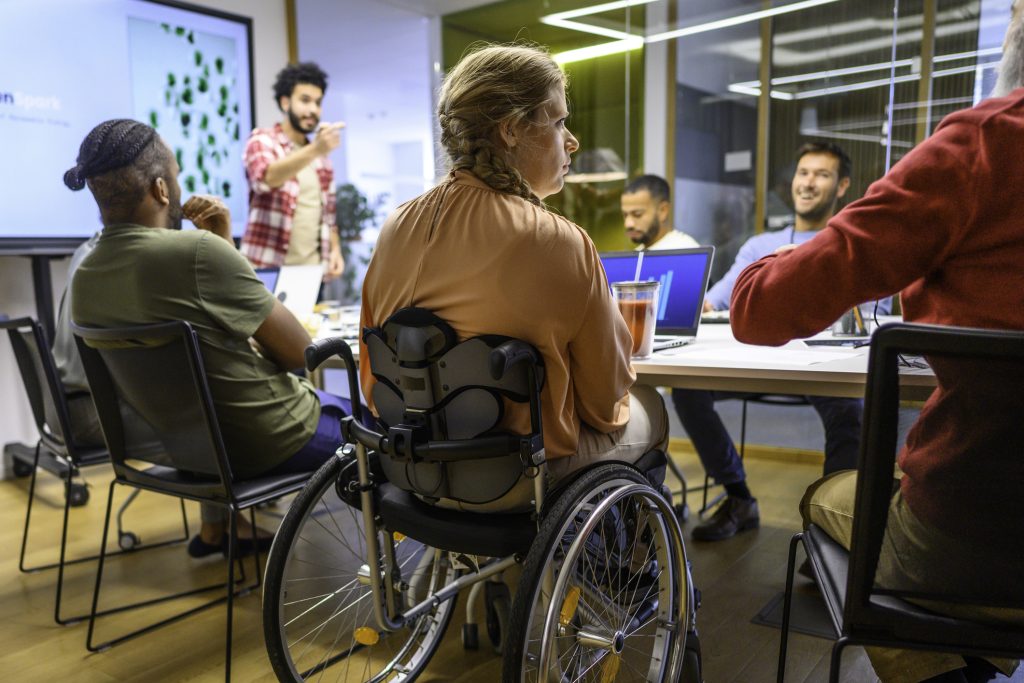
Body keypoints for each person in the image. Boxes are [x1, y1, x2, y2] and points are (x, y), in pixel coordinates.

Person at [729, 5, 1024, 680]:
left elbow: (757, 308)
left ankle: (945, 666)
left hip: (969, 527)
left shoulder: (986, 144)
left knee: (826, 498)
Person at [359, 44, 669, 512]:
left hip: (410, 469)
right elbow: (605, 404)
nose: (573, 141)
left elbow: (372, 382)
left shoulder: (395, 225)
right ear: (511, 130)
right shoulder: (558, 240)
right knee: (653, 408)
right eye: (560, 121)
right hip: (517, 480)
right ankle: (630, 571)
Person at [65, 118, 353, 557]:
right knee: (383, 429)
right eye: (177, 177)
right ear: (161, 189)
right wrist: (221, 246)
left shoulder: (86, 275)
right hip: (274, 438)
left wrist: (219, 247)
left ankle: (220, 532)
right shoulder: (197, 252)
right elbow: (301, 354)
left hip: (186, 451)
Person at [675, 142, 882, 542]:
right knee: (687, 391)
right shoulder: (759, 246)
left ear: (842, 186)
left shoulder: (852, 245)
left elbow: (875, 312)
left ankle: (830, 535)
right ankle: (739, 498)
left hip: (823, 372)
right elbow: (717, 298)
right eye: (803, 173)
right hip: (760, 364)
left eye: (821, 175)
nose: (808, 183)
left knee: (850, 410)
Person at [240, 61, 344, 280]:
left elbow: (329, 215)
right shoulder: (263, 139)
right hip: (266, 269)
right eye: (305, 100)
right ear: (285, 102)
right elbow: (265, 178)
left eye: (318, 102)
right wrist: (316, 148)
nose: (313, 110)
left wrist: (335, 250)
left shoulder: (321, 158)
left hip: (312, 273)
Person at [620, 174, 699, 250]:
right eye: (625, 215)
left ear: (663, 211)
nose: (628, 224)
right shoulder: (635, 256)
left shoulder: (686, 252)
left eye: (637, 214)